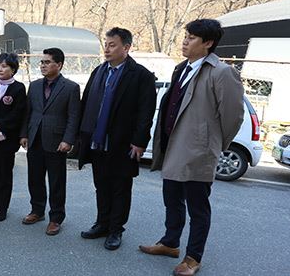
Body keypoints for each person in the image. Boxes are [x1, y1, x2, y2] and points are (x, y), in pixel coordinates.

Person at [139, 19, 244, 276]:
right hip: (173, 148)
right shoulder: (181, 68)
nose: (185, 41)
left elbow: (233, 116)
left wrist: (213, 145)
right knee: (172, 200)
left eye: (192, 37)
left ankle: (193, 258)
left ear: (208, 43)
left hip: (199, 152)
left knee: (198, 207)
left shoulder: (221, 72)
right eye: (185, 35)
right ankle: (170, 243)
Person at [77, 27, 156, 250]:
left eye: (112, 45)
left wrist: (140, 141)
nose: (107, 49)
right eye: (106, 44)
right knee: (101, 185)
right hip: (97, 141)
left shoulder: (140, 75)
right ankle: (101, 223)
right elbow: (86, 104)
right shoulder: (99, 72)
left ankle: (115, 230)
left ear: (127, 47)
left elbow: (145, 112)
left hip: (122, 142)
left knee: (120, 187)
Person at [20, 47, 80, 235]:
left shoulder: (70, 88)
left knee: (56, 182)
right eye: (42, 62)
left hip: (56, 141)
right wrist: (24, 134)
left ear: (59, 65)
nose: (43, 65)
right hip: (35, 138)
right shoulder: (35, 85)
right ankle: (37, 211)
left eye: (47, 62)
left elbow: (73, 116)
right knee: (34, 178)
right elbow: (27, 112)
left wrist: (68, 140)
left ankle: (56, 218)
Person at [0, 53, 27, 222]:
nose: (0, 69)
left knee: (5, 173)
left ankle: (3, 207)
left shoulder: (18, 88)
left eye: (4, 66)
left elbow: (18, 113)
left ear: (13, 69)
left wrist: (0, 125)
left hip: (7, 138)